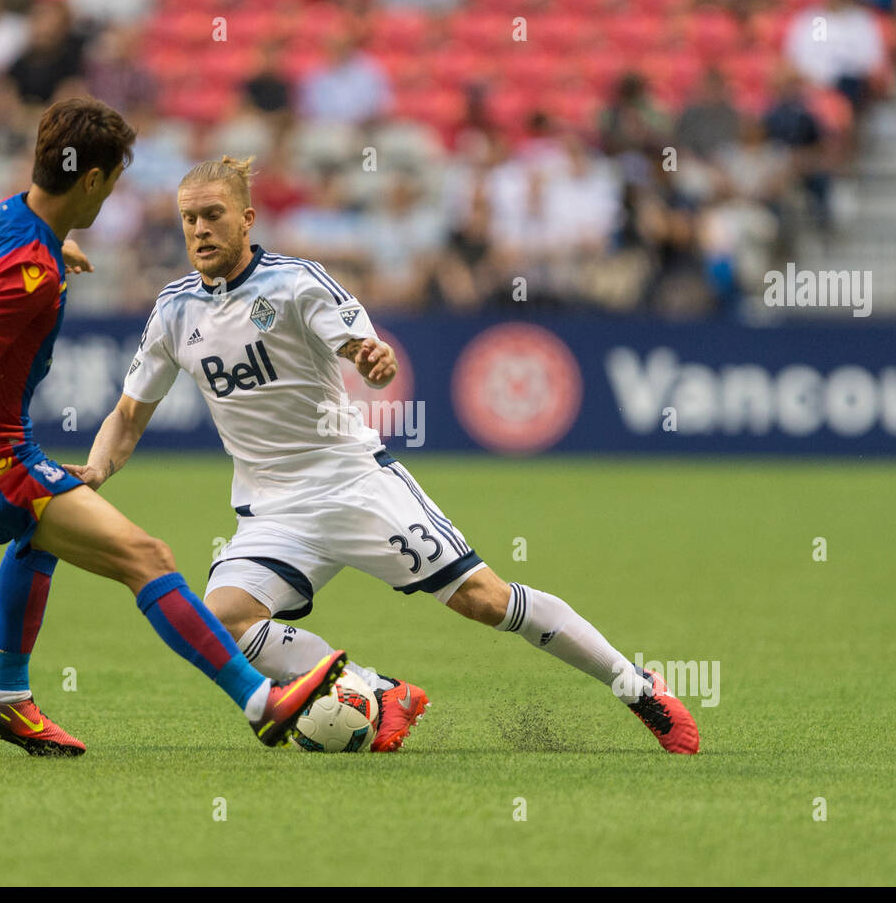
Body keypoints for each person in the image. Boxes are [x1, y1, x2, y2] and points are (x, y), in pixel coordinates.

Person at [65, 155, 701, 755]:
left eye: (213, 216)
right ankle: (378, 690)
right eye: (188, 219)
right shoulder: (174, 310)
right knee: (220, 622)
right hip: (273, 512)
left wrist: (373, 359)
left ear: (247, 219)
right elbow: (127, 416)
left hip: (354, 486)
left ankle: (636, 686)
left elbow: (364, 348)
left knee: (483, 599)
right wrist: (97, 469)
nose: (200, 230)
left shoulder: (294, 283)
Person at [0, 101, 345, 757]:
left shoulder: (10, 219)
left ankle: (8, 696)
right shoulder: (29, 272)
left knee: (36, 542)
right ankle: (262, 700)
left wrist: (53, 245)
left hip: (5, 443)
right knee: (146, 558)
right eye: (115, 179)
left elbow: (3, 259)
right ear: (92, 181)